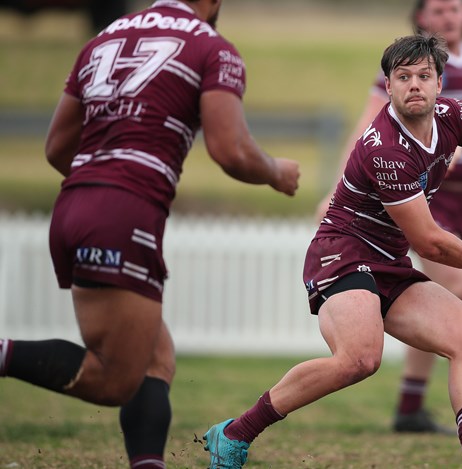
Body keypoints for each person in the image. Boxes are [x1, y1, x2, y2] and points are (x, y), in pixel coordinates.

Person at [203, 34, 462, 469]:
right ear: (387, 87)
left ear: (440, 84)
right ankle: (235, 433)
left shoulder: (451, 117)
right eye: (402, 77)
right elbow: (430, 241)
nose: (414, 85)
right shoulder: (384, 148)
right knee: (359, 359)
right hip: (343, 252)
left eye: (423, 76)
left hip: (388, 259)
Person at [0, 1, 301, 468]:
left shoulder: (106, 37)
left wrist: (101, 184)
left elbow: (57, 146)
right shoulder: (212, 47)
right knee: (114, 379)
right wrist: (275, 172)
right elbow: (230, 150)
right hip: (123, 212)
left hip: (74, 203)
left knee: (155, 358)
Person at [316, 0, 462, 435]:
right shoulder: (400, 78)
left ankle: (419, 403)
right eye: (436, 9)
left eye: (453, 8)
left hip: (460, 196)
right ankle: (428, 401)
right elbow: (367, 127)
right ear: (421, 18)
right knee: (453, 286)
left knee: (458, 318)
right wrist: (334, 189)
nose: (445, 17)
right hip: (415, 197)